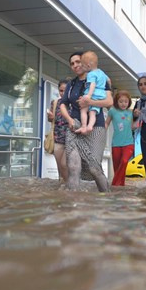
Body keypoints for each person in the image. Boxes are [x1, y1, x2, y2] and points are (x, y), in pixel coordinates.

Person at [60, 51, 112, 192]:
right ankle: (73, 205)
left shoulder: (101, 78)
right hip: (75, 127)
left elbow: (109, 101)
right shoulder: (71, 84)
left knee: (94, 168)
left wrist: (90, 101)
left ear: (84, 62)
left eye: (78, 62)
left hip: (96, 127)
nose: (75, 65)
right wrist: (69, 119)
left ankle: (106, 197)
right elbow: (63, 103)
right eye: (72, 63)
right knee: (73, 167)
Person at [106, 90, 134, 186]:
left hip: (129, 143)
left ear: (129, 102)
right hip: (116, 144)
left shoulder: (131, 112)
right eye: (121, 101)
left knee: (124, 161)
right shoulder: (112, 111)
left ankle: (114, 185)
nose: (123, 104)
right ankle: (120, 187)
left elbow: (133, 125)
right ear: (117, 101)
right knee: (117, 167)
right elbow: (106, 123)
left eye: (126, 101)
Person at [75, 51, 108, 135]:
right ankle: (90, 126)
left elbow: (92, 84)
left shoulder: (91, 74)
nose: (81, 67)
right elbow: (109, 80)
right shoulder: (101, 72)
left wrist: (88, 95)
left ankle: (83, 126)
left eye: (82, 65)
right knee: (92, 113)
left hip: (93, 94)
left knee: (83, 110)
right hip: (100, 95)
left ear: (88, 66)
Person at [47, 79, 69, 183]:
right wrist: (51, 117)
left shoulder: (73, 103)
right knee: (60, 165)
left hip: (71, 139)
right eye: (61, 90)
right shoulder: (55, 103)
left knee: (67, 165)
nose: (63, 93)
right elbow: (50, 120)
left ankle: (71, 185)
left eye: (65, 90)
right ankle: (62, 184)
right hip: (57, 137)